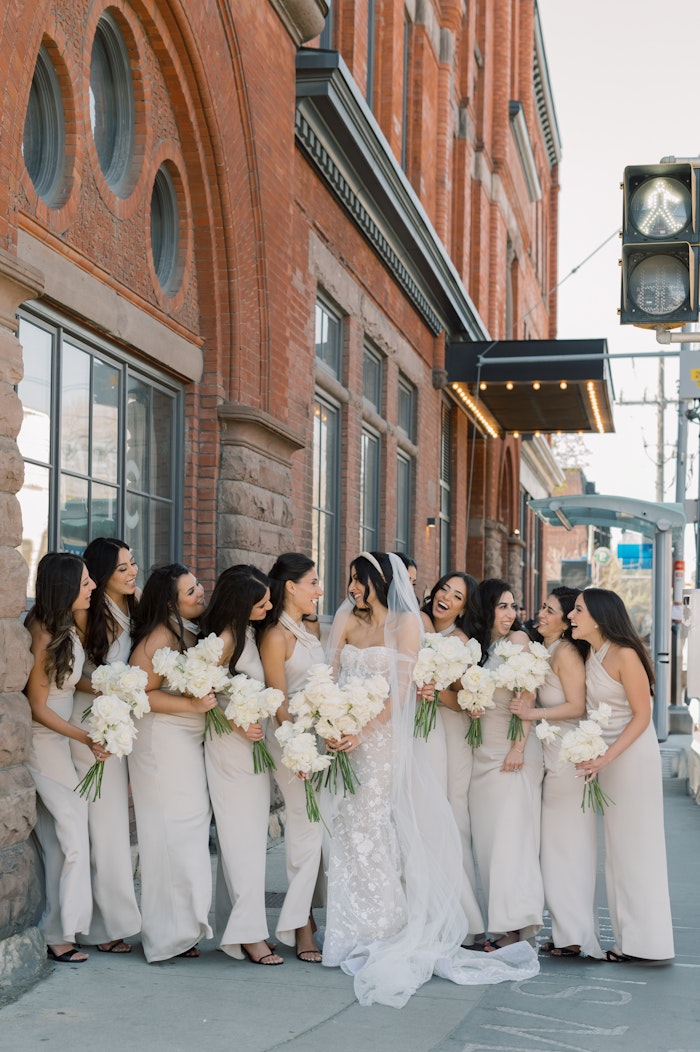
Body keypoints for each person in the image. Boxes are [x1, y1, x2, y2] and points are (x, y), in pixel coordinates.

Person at [320, 552, 539, 1008]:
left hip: (391, 737)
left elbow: (407, 690)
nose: (351, 587)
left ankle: (399, 922)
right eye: (445, 589)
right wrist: (330, 718)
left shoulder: (415, 627)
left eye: (358, 580)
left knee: (391, 824)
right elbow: (330, 674)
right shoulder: (349, 619)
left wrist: (373, 721)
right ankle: (353, 926)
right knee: (348, 827)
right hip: (350, 732)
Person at [569, 588, 674, 963]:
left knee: (637, 849)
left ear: (598, 616)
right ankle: (629, 939)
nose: (571, 616)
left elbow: (642, 717)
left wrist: (605, 758)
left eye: (578, 610)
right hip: (607, 759)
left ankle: (648, 943)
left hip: (631, 758)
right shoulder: (593, 653)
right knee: (617, 852)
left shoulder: (625, 654)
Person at [128, 563, 217, 962]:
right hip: (161, 744)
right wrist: (192, 703)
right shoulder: (159, 635)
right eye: (190, 591)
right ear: (170, 603)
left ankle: (186, 928)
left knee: (190, 832)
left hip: (187, 739)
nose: (200, 593)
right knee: (169, 834)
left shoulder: (191, 630)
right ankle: (166, 934)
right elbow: (140, 694)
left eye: (197, 585)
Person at [509, 587, 601, 958]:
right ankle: (567, 932)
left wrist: (531, 714)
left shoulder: (564, 652)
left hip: (568, 758)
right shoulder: (543, 650)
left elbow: (577, 706)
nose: (541, 613)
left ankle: (575, 934)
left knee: (568, 848)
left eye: (550, 610)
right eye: (543, 607)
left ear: (566, 621)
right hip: (551, 757)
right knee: (557, 849)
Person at [200, 564, 283, 965]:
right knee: (240, 839)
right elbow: (205, 692)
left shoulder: (248, 632)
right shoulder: (224, 640)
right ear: (241, 603)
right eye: (262, 600)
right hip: (230, 747)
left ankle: (239, 925)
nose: (269, 605)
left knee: (250, 838)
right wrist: (239, 722)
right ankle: (249, 935)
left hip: (251, 745)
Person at [69, 538, 142, 954]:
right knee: (105, 826)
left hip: (120, 722)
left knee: (111, 824)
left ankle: (109, 919)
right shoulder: (86, 614)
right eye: (122, 569)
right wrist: (105, 690)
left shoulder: (135, 604)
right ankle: (105, 926)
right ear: (100, 576)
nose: (132, 573)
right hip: (92, 721)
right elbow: (70, 673)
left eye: (133, 564)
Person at [24, 553, 97, 963]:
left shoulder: (65, 626)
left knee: (56, 841)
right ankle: (65, 929)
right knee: (71, 829)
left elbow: (66, 678)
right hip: (42, 743)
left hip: (60, 742)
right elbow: (38, 705)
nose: (91, 588)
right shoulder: (41, 631)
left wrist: (101, 686)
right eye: (85, 583)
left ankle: (56, 930)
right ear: (65, 586)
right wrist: (84, 737)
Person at [468, 578, 544, 952]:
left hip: (511, 751)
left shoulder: (517, 641)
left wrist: (518, 746)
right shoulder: (485, 647)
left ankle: (514, 928)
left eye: (514, 606)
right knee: (489, 843)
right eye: (502, 606)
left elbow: (526, 692)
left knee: (510, 841)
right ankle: (503, 921)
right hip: (483, 753)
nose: (511, 614)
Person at [259, 553, 325, 961]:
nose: (319, 590)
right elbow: (278, 700)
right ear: (291, 587)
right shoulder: (276, 635)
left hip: (318, 738)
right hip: (290, 741)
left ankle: (308, 917)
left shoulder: (305, 628)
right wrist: (296, 746)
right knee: (305, 829)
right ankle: (298, 925)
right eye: (313, 583)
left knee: (316, 827)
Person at [419, 571, 485, 947]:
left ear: (463, 608)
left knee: (451, 815)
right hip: (424, 731)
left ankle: (464, 917)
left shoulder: (461, 642)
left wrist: (434, 692)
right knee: (428, 815)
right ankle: (431, 908)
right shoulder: (420, 627)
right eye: (444, 588)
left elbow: (465, 701)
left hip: (451, 731)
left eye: (456, 596)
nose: (446, 597)